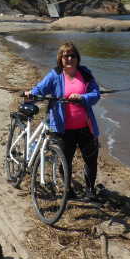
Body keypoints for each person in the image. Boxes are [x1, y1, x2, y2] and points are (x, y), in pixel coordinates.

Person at [26, 42, 103, 203]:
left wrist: (83, 97)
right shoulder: (55, 75)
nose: (69, 58)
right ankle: (68, 190)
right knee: (65, 161)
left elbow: (95, 94)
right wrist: (31, 94)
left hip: (85, 127)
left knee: (91, 160)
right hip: (63, 129)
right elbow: (40, 90)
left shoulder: (85, 73)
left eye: (72, 55)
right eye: (65, 55)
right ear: (60, 58)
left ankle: (90, 191)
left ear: (77, 58)